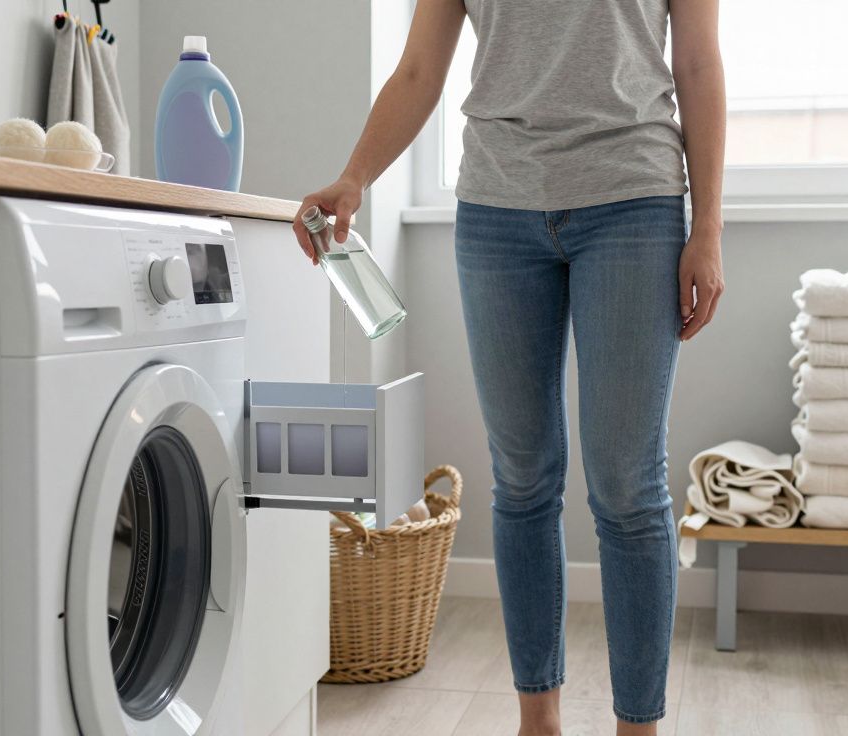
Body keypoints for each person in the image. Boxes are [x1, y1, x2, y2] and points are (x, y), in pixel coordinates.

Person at [292, 1, 725, 733]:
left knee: (627, 482)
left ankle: (639, 726)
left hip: (633, 199)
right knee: (522, 477)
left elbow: (698, 63)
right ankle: (538, 719)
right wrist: (355, 176)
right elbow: (420, 70)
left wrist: (708, 225)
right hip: (497, 208)